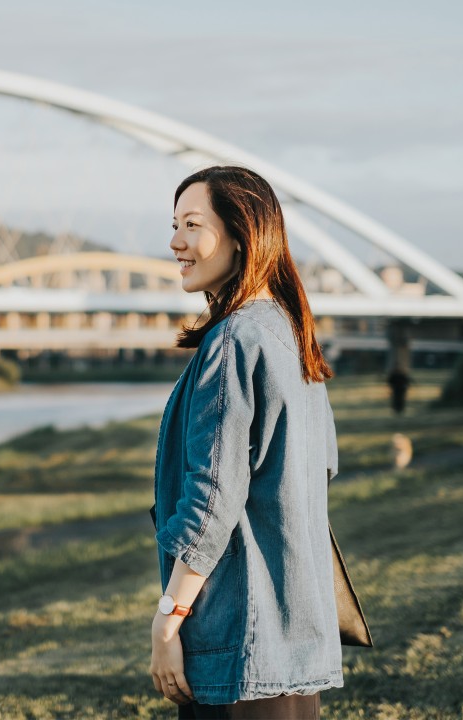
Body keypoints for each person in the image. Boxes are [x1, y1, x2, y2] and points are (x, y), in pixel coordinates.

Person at [150, 165, 342, 719]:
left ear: (242, 234)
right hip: (294, 640)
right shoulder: (288, 333)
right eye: (174, 224)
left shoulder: (233, 341)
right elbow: (320, 468)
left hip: (242, 643)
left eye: (192, 224)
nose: (175, 241)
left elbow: (212, 498)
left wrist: (170, 615)